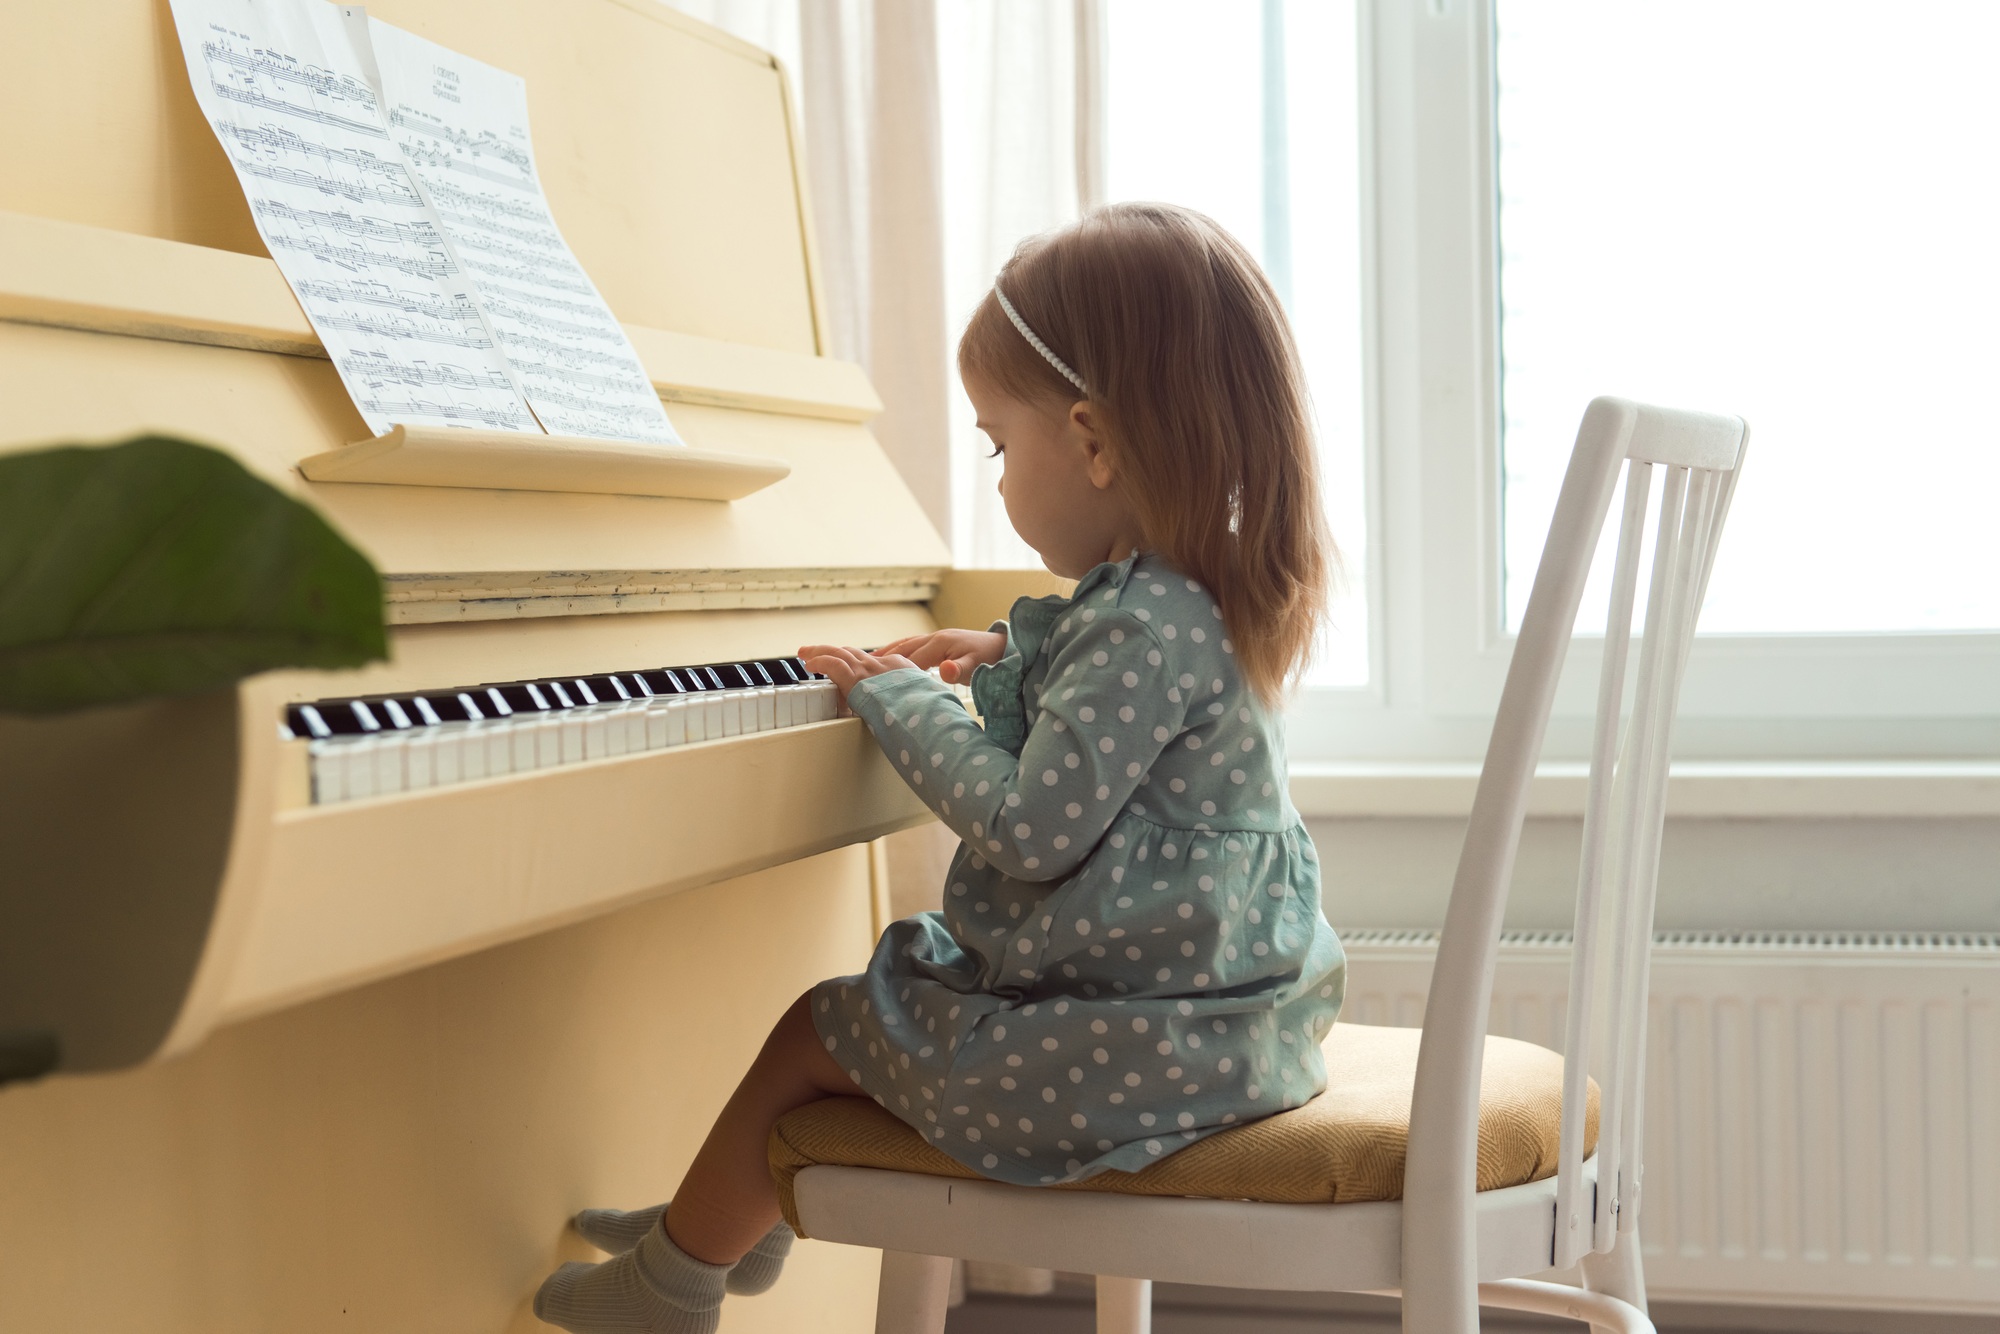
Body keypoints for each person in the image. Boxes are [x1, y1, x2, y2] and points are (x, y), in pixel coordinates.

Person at [534, 202, 1346, 1334]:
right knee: (878, 995)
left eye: (997, 445)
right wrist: (1009, 652)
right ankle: (716, 1221)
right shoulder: (1182, 598)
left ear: (1094, 440)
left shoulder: (1140, 624)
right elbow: (1120, 723)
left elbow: (1028, 826)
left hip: (1152, 1051)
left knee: (820, 1024)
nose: (998, 477)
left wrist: (896, 695)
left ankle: (676, 1277)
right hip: (1213, 1021)